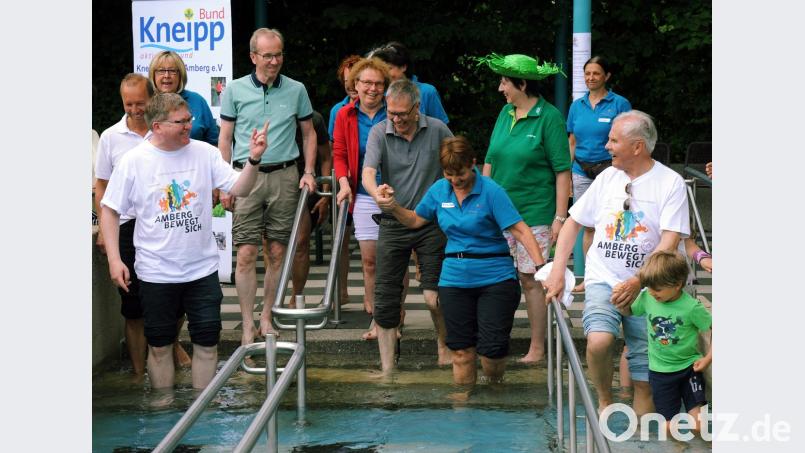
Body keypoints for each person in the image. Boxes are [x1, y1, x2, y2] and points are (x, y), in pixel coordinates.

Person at [100, 92, 270, 389]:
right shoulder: (134, 161)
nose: (188, 125)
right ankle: (163, 406)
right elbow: (110, 210)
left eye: (189, 119)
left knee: (207, 342)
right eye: (180, 122)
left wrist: (254, 159)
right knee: (160, 346)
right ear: (157, 126)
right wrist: (115, 260)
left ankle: (201, 407)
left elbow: (240, 188)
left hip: (202, 269)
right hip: (155, 271)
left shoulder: (205, 153)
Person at [543, 110, 691, 417]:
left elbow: (669, 241)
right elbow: (573, 223)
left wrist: (638, 281)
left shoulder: (670, 182)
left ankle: (639, 435)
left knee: (645, 381)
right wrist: (558, 271)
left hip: (650, 289)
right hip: (604, 279)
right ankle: (605, 400)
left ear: (637, 147)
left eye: (613, 140)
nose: (606, 146)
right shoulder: (607, 178)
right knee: (599, 341)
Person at [376, 136, 546, 385]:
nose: (455, 180)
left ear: (473, 164)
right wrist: (392, 206)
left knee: (492, 353)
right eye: (449, 174)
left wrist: (542, 268)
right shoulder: (439, 190)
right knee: (461, 352)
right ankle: (462, 402)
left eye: (461, 174)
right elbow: (414, 220)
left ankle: (495, 390)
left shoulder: (492, 191)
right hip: (454, 280)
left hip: (495, 278)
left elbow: (520, 230)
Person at [217, 28, 318, 345]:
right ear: (253, 57)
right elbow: (225, 138)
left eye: (279, 54)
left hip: (285, 175)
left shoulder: (296, 89)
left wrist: (309, 171)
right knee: (246, 253)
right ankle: (247, 323)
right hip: (246, 174)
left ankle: (267, 316)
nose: (274, 61)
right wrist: (225, 182)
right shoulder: (234, 89)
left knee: (277, 251)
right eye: (268, 55)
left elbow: (309, 133)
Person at [94, 74, 191, 380]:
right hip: (126, 226)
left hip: (164, 224)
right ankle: (138, 375)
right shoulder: (111, 137)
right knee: (133, 304)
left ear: (152, 99)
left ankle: (170, 344)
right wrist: (105, 232)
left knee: (177, 295)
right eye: (129, 104)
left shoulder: (166, 131)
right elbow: (102, 186)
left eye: (140, 103)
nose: (135, 110)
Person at [479, 53, 571, 364]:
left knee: (531, 279)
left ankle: (537, 347)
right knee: (498, 277)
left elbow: (562, 171)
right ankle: (495, 341)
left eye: (505, 82)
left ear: (522, 84)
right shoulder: (505, 113)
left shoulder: (550, 117)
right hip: (498, 214)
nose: (500, 88)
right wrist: (481, 202)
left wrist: (560, 217)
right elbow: (490, 161)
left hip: (534, 213)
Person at [363, 78, 454, 373]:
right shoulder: (379, 131)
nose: (396, 119)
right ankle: (387, 368)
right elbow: (368, 172)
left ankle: (444, 346)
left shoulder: (437, 129)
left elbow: (456, 165)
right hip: (393, 219)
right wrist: (376, 193)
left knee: (433, 295)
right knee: (385, 299)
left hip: (430, 222)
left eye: (402, 114)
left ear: (417, 108)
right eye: (391, 113)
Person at [333, 57, 408, 340]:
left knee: (397, 257)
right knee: (370, 261)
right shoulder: (344, 115)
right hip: (364, 193)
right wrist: (343, 183)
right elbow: (340, 154)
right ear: (355, 84)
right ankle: (378, 319)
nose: (372, 89)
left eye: (378, 83)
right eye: (366, 82)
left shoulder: (396, 112)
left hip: (397, 192)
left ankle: (396, 317)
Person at [619, 251, 712, 434]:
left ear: (677, 284)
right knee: (668, 427)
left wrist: (708, 358)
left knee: (699, 424)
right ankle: (678, 447)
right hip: (659, 374)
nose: (652, 292)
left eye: (658, 289)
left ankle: (701, 446)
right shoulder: (647, 297)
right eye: (649, 287)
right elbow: (630, 311)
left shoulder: (691, 307)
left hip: (689, 369)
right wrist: (620, 304)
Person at [566, 55, 632, 294]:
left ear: (607, 76)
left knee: (615, 222)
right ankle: (590, 277)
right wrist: (567, 176)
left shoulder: (620, 103)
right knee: (588, 226)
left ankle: (620, 274)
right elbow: (572, 141)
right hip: (581, 170)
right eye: (587, 73)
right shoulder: (577, 105)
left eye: (596, 73)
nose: (591, 78)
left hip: (612, 169)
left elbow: (628, 137)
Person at [261, 110, 336, 307]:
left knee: (301, 243)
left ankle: (297, 297)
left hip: (304, 187)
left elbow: (326, 157)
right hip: (273, 183)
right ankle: (272, 301)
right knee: (270, 245)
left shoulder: (314, 119)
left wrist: (325, 195)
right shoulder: (264, 114)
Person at [148, 50, 219, 145]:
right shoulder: (146, 102)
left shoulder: (197, 101)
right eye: (161, 71)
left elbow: (214, 141)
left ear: (180, 75)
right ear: (153, 75)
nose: (167, 75)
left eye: (172, 71)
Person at [370, 41, 449, 124]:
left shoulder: (427, 92)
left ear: (403, 67)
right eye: (382, 69)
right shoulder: (379, 93)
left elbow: (441, 128)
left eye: (389, 68)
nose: (385, 74)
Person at [328, 55, 362, 141]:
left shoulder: (376, 106)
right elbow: (333, 144)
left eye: (356, 80)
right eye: (347, 81)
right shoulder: (336, 110)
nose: (352, 85)